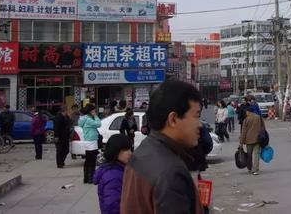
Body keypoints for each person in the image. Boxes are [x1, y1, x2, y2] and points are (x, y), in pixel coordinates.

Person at [120, 80, 203, 214]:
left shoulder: (143, 150)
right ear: (173, 119)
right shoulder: (171, 173)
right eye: (196, 116)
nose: (200, 124)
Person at [94, 134, 133, 214]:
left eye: (130, 149)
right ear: (115, 151)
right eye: (125, 150)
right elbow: (113, 206)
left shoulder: (118, 169)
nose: (130, 153)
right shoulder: (114, 176)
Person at [239, 104, 265, 175]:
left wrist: (241, 142)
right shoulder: (259, 117)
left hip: (249, 140)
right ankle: (255, 169)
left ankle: (250, 168)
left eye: (246, 112)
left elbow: (243, 132)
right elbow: (263, 128)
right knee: (256, 154)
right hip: (258, 139)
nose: (246, 113)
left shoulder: (246, 120)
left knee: (249, 155)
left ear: (248, 112)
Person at [79, 104, 102, 184]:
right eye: (94, 110)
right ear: (91, 111)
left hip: (87, 140)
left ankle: (86, 178)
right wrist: (95, 116)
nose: (95, 112)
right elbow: (99, 124)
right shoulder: (88, 119)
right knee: (92, 160)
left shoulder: (83, 118)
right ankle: (90, 178)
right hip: (92, 141)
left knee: (88, 159)